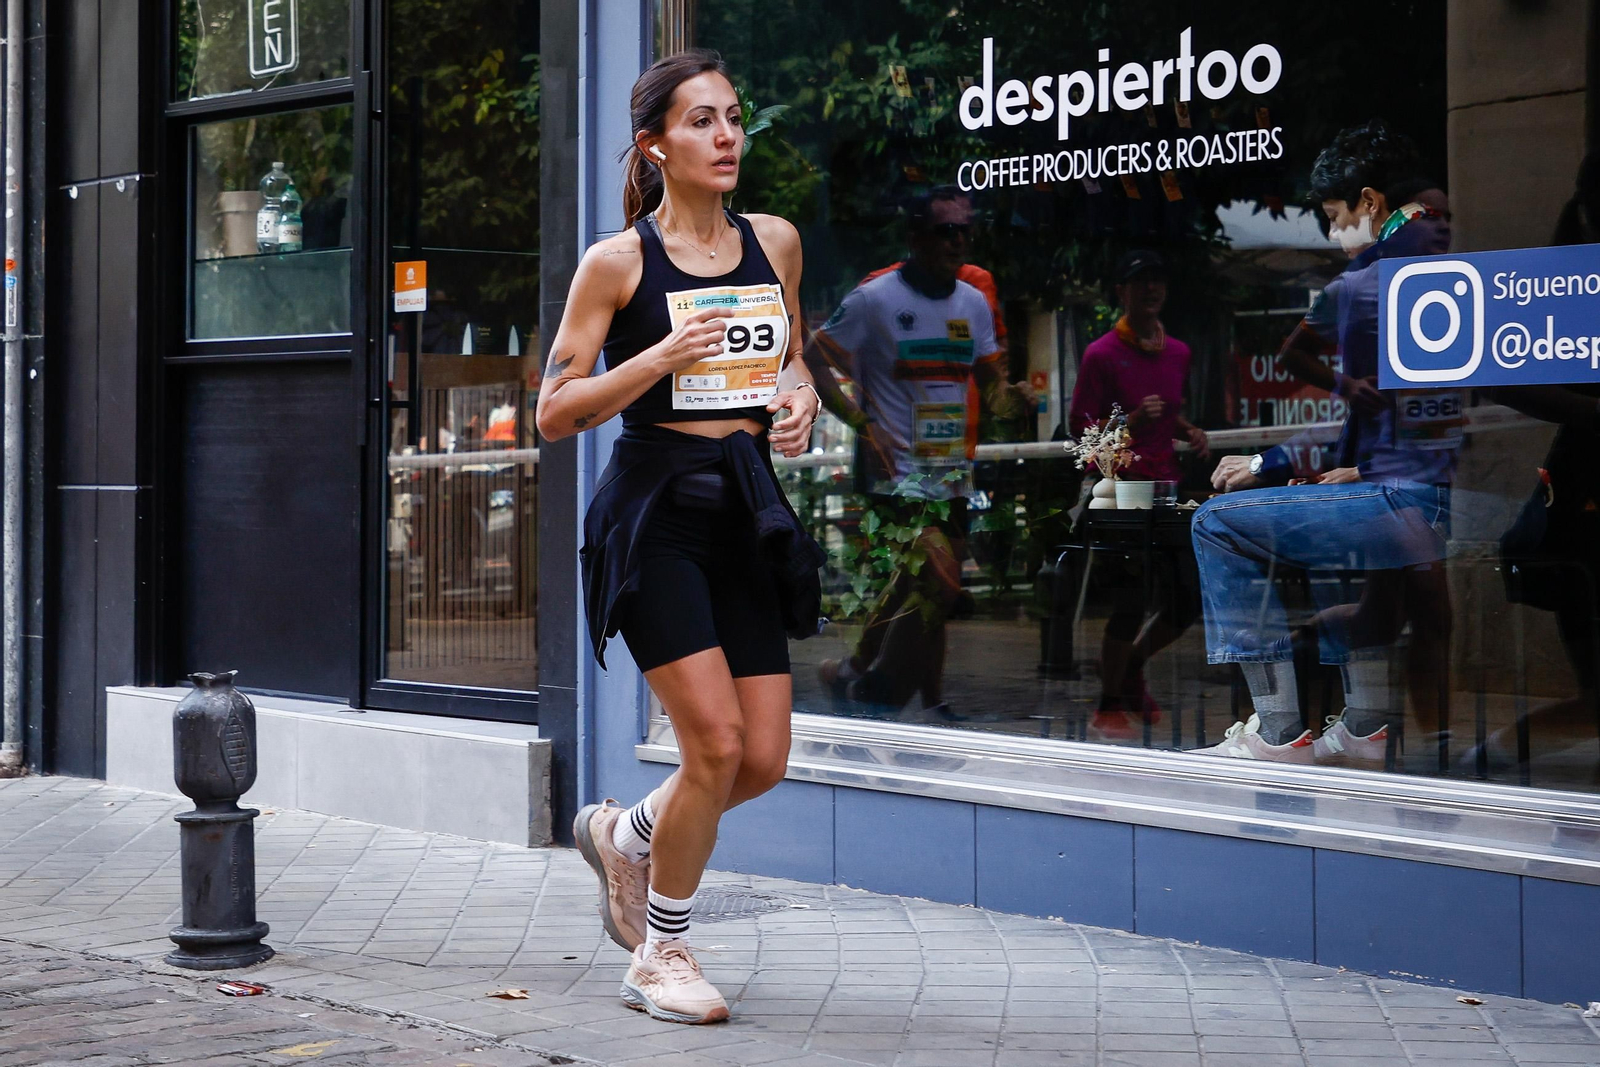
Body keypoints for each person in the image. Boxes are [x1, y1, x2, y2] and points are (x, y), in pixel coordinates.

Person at [535, 51, 824, 1025]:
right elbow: (554, 409)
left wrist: (798, 402)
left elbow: (788, 361)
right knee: (714, 744)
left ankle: (625, 832)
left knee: (765, 754)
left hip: (745, 508)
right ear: (656, 144)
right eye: (703, 121)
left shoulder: (774, 241)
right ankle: (661, 948)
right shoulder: (617, 262)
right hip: (654, 512)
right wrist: (655, 355)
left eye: (734, 117)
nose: (728, 135)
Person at [1192, 120, 1458, 765]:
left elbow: (1360, 399)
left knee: (1216, 524)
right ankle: (1367, 727)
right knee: (1333, 543)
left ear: (1370, 205)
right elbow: (1387, 408)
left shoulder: (1368, 287)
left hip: (1407, 502)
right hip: (1433, 497)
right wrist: (1354, 467)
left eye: (1336, 216)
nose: (1333, 233)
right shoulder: (1451, 282)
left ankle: (1278, 733)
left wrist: (1268, 460)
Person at [802, 187, 1010, 719]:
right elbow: (813, 357)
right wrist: (862, 424)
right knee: (937, 577)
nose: (958, 240)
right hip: (893, 472)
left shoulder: (973, 301)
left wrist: (1007, 395)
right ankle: (879, 690)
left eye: (966, 230)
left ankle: (877, 681)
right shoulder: (875, 299)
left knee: (928, 590)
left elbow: (989, 376)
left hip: (952, 472)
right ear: (916, 237)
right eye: (946, 230)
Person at [1068, 250, 1207, 740]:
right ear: (1120, 293)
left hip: (1166, 487)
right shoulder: (1101, 354)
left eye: (1157, 280)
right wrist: (1129, 420)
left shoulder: (1179, 353)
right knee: (1130, 601)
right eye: (1139, 281)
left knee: (1188, 598)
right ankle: (1108, 702)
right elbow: (1081, 433)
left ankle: (1130, 668)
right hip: (1120, 490)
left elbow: (1167, 410)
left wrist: (1188, 428)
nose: (1150, 289)